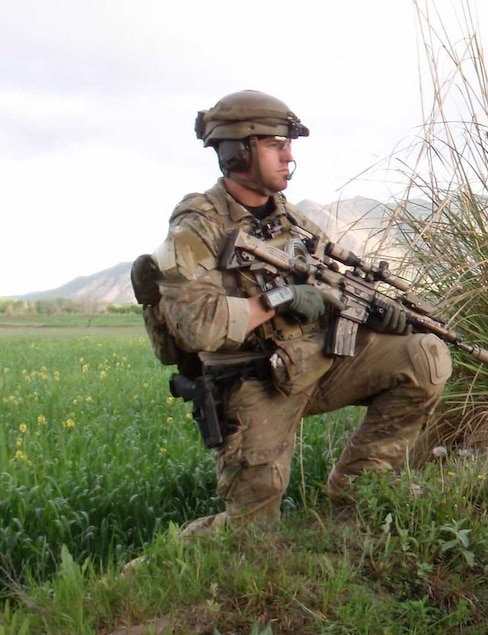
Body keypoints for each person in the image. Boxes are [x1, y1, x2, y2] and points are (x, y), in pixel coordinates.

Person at [144, 90, 451, 536]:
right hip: (251, 382)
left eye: (289, 145)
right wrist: (277, 301)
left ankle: (362, 487)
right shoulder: (196, 225)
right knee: (251, 533)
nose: (289, 156)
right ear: (238, 151)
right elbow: (196, 327)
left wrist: (372, 314)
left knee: (425, 355)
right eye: (275, 144)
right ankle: (159, 564)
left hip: (312, 363)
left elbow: (331, 287)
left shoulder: (291, 220)